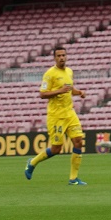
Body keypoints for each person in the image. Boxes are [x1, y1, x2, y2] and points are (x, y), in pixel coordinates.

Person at [25, 45, 87, 186]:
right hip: (56, 116)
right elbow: (42, 94)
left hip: (70, 113)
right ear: (54, 58)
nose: (61, 58)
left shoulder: (69, 72)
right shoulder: (50, 74)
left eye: (63, 55)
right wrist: (60, 90)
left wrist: (79, 92)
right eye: (58, 56)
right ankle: (32, 162)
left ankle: (73, 178)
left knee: (78, 141)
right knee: (56, 149)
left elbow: (70, 89)